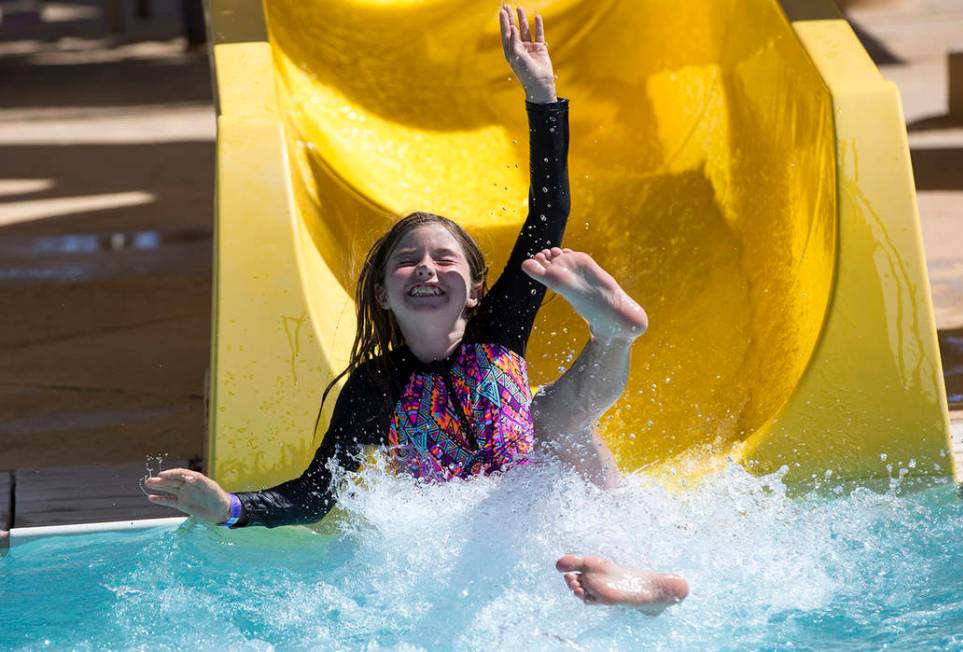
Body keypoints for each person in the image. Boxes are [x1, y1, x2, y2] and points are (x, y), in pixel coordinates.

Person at [145, 5, 687, 613]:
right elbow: (317, 492)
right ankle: (638, 586)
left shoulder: (499, 331)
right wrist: (231, 508)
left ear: (476, 290)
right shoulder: (374, 388)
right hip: (484, 532)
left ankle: (613, 334)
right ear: (381, 293)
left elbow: (546, 215)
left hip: (558, 491)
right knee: (532, 468)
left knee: (552, 420)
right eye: (407, 261)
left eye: (446, 260)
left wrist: (542, 95)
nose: (427, 268)